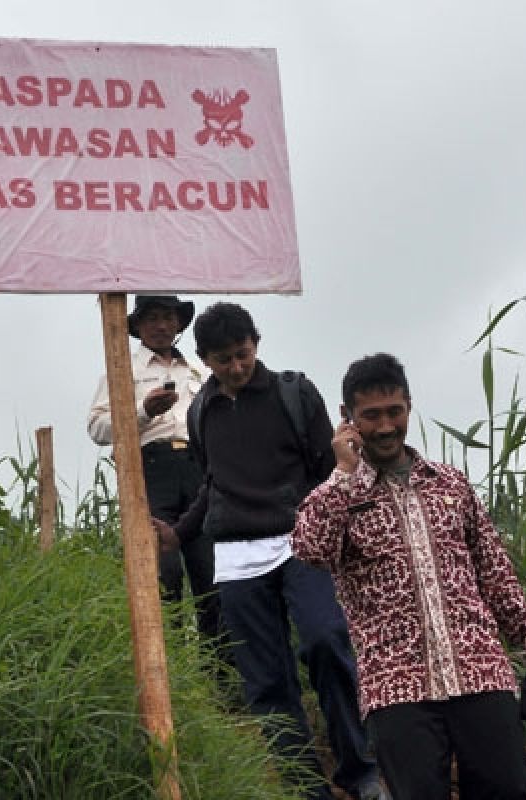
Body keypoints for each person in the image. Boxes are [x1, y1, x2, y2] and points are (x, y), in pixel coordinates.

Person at [293, 353, 526, 800]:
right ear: (348, 419)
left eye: (394, 412)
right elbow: (310, 549)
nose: (384, 427)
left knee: (511, 790)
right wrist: (342, 474)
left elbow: (495, 573)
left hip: (480, 670)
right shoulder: (341, 497)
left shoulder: (450, 485)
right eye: (371, 416)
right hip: (396, 685)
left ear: (409, 406)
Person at [153, 302, 387, 800]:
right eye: (223, 359)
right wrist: (179, 532)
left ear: (256, 344)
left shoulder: (294, 393)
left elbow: (328, 469)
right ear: (205, 360)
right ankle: (305, 787)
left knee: (326, 642)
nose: (236, 367)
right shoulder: (201, 412)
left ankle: (359, 769)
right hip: (236, 558)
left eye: (242, 354)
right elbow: (212, 485)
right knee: (264, 681)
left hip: (301, 540)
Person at [87, 295, 221, 648]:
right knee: (165, 572)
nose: (161, 325)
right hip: (150, 471)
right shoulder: (123, 371)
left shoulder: (199, 372)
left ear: (178, 323)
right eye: (152, 318)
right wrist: (144, 411)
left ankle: (221, 683)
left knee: (209, 574)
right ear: (138, 326)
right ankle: (172, 670)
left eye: (168, 317)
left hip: (197, 470)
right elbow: (97, 428)